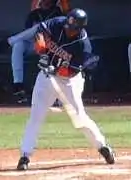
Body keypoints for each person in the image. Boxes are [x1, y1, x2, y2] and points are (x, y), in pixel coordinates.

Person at [12, 8, 115, 170]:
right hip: (46, 78)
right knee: (36, 116)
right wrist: (42, 51)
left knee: (79, 119)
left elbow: (71, 70)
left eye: (72, 28)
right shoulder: (59, 22)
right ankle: (25, 156)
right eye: (68, 25)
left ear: (80, 28)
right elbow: (40, 32)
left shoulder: (82, 45)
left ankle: (102, 146)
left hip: (69, 82)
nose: (68, 29)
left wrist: (54, 69)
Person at [8, 0, 66, 104]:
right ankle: (18, 84)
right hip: (35, 44)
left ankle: (12, 40)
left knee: (39, 27)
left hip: (51, 46)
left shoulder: (57, 12)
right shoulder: (34, 14)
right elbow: (28, 32)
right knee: (18, 45)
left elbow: (59, 32)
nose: (45, 2)